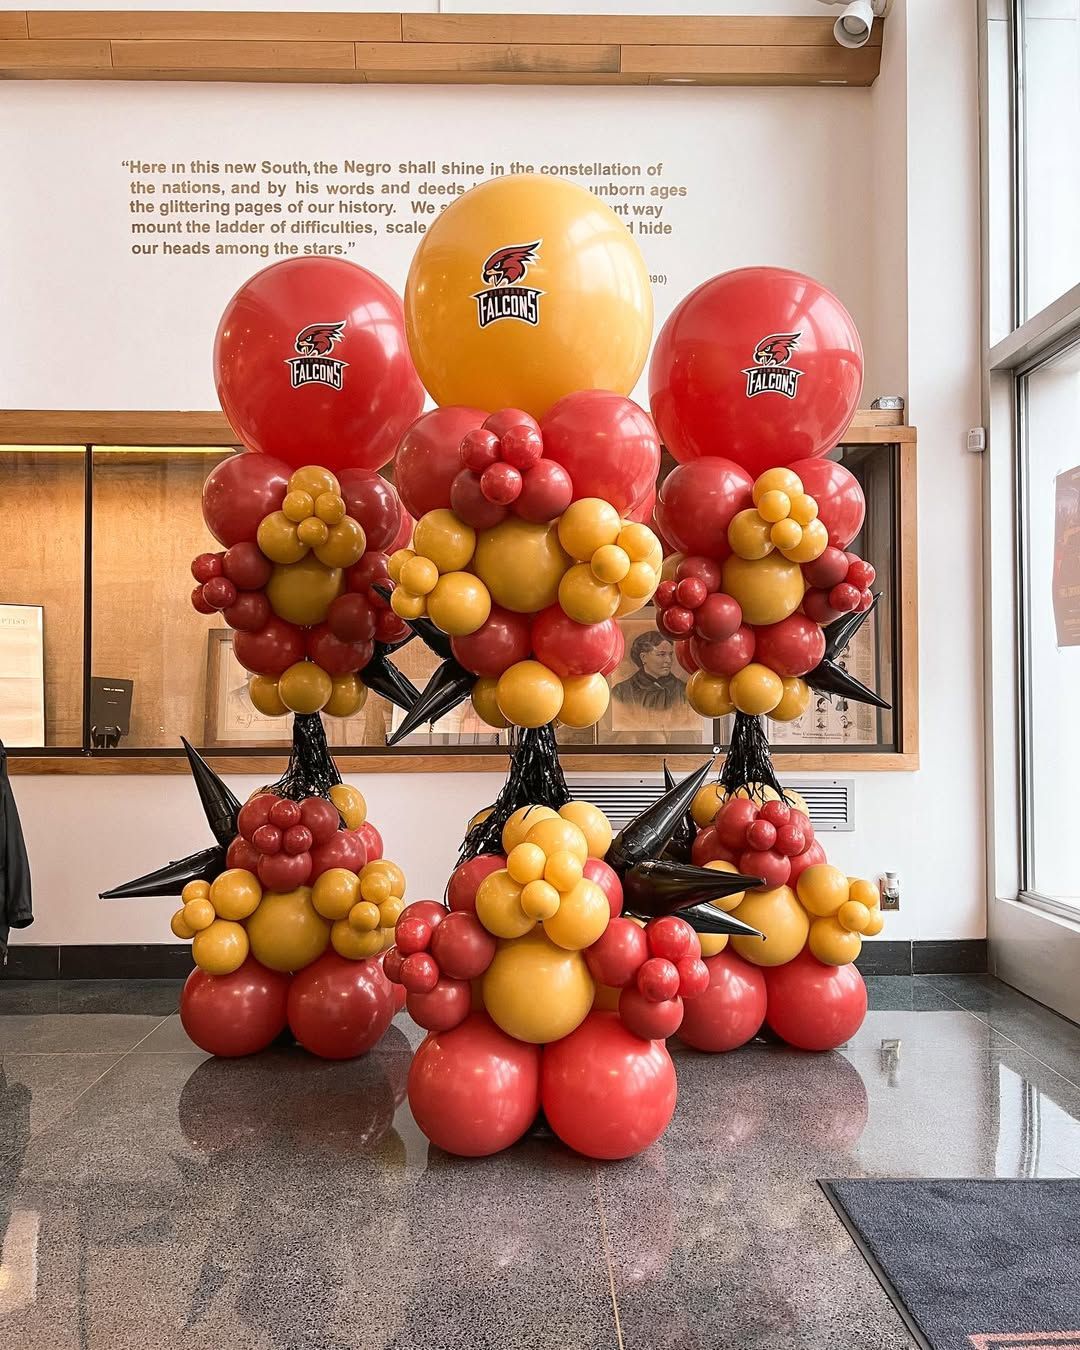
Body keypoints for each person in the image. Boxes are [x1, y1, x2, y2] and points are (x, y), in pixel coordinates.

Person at [613, 631, 682, 711]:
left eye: (670, 654)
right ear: (643, 657)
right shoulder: (621, 691)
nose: (669, 660)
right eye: (662, 654)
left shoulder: (682, 690)